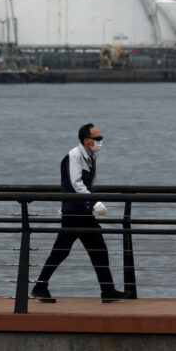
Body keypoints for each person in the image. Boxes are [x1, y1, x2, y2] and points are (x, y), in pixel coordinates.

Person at [31, 123, 129, 304]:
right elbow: (75, 183)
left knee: (73, 250)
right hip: (76, 213)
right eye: (97, 138)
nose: (101, 141)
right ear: (87, 141)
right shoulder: (75, 156)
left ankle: (106, 290)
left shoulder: (89, 157)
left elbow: (77, 185)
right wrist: (94, 202)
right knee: (73, 250)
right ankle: (40, 287)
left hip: (78, 211)